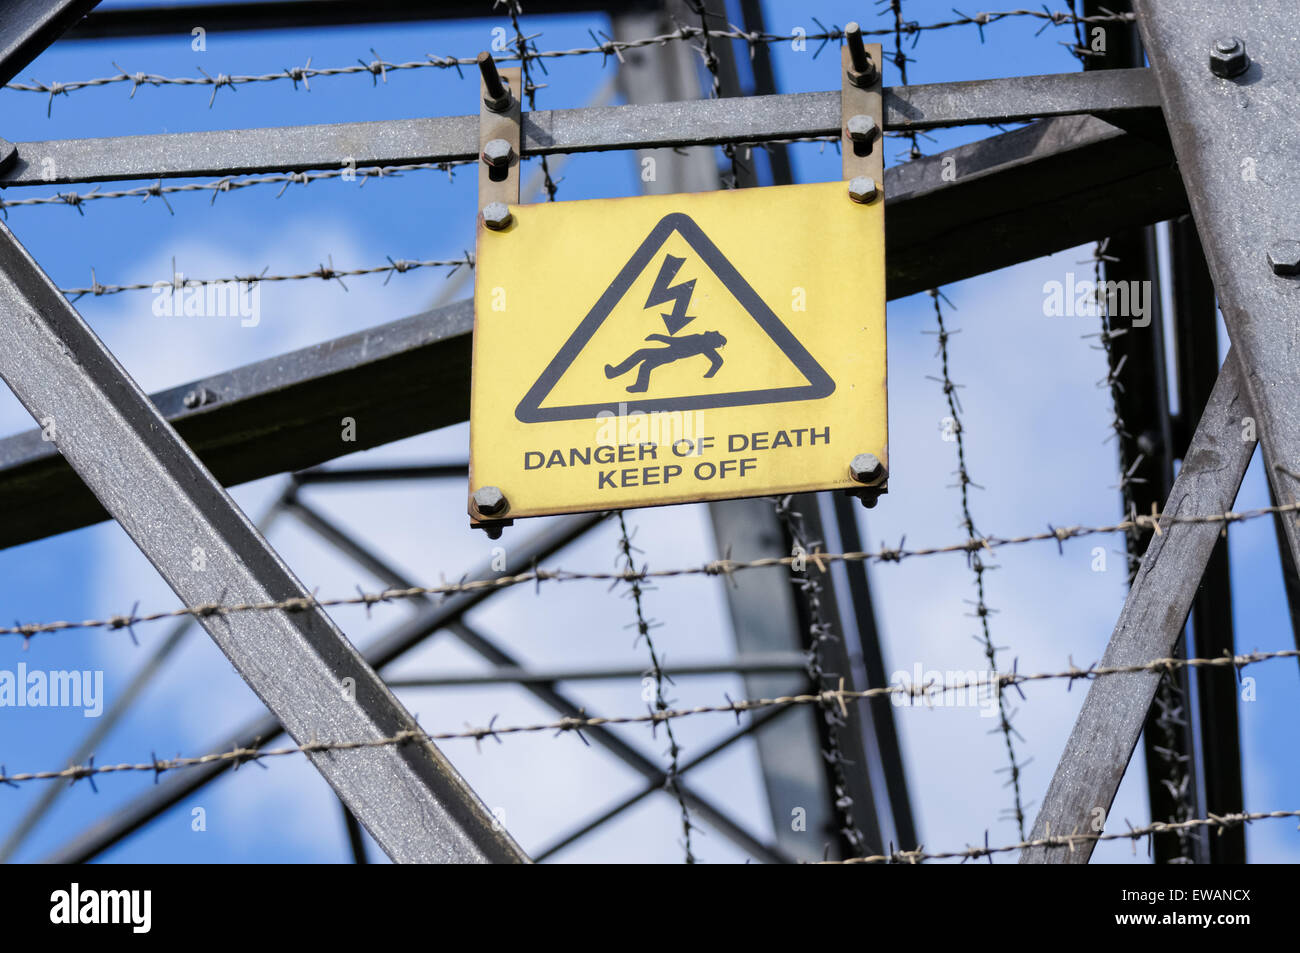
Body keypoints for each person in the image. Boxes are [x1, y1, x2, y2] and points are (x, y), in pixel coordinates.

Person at [604, 330, 727, 393]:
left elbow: (676, 341)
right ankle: (641, 386)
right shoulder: (704, 345)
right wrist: (709, 375)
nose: (710, 331)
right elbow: (718, 361)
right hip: (669, 354)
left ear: (713, 339)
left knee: (641, 354)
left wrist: (657, 337)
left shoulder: (701, 342)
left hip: (668, 354)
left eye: (714, 334)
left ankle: (615, 373)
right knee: (646, 365)